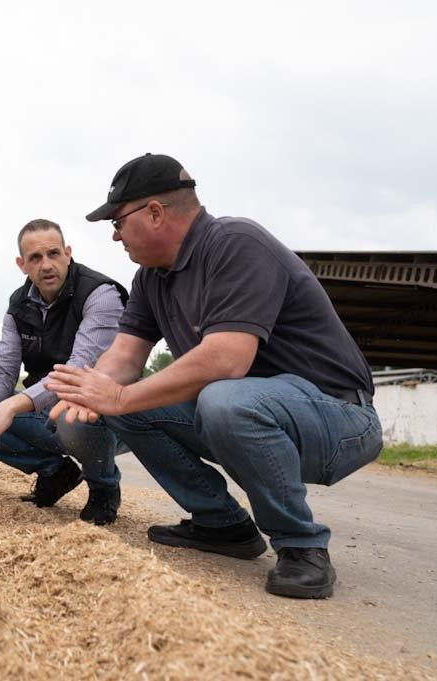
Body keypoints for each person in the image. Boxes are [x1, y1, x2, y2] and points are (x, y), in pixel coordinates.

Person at [46, 153, 382, 599]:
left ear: (155, 213)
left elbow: (227, 359)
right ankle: (222, 525)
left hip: (337, 416)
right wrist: (91, 391)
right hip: (250, 408)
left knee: (222, 399)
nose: (114, 234)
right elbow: (124, 356)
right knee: (134, 402)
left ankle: (302, 546)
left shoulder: (236, 243)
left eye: (118, 221)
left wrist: (120, 397)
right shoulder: (151, 278)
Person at [0, 219, 130, 525]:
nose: (46, 265)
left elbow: (76, 373)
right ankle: (56, 472)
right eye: (35, 258)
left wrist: (10, 406)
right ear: (21, 264)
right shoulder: (18, 304)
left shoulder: (100, 294)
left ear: (68, 253)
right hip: (46, 407)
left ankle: (104, 488)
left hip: (106, 416)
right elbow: (3, 371)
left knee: (72, 412)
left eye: (53, 254)